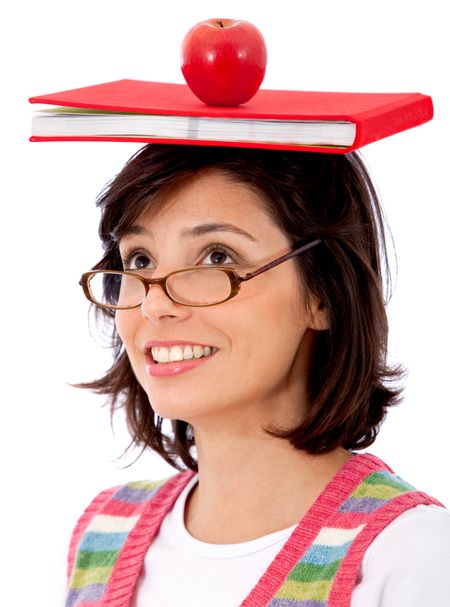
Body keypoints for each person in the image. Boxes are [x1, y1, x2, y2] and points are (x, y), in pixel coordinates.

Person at [66, 144, 449, 607]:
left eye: (217, 257)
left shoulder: (408, 553)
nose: (155, 305)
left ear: (322, 293)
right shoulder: (104, 532)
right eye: (140, 260)